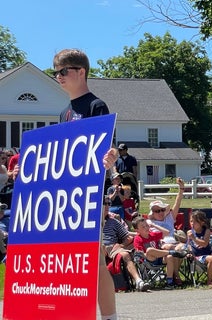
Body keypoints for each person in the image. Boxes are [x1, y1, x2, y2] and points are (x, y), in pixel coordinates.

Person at [54, 48, 120, 320]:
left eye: (63, 71)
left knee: (94, 259)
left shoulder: (96, 106)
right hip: (65, 196)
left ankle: (108, 316)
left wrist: (111, 156)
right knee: (68, 259)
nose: (58, 76)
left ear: (81, 72)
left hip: (89, 196)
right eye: (55, 72)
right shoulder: (63, 114)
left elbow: (109, 146)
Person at [101, 203, 149, 292]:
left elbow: (127, 237)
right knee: (100, 250)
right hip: (95, 247)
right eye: (104, 204)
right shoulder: (90, 222)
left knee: (126, 254)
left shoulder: (113, 222)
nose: (107, 206)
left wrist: (121, 245)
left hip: (111, 247)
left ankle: (139, 281)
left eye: (108, 204)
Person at [132, 216, 188, 289]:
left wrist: (154, 225)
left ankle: (169, 282)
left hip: (160, 258)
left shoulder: (152, 234)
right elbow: (142, 254)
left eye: (147, 225)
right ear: (137, 230)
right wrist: (154, 253)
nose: (146, 227)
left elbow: (167, 232)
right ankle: (172, 252)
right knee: (149, 250)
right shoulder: (137, 239)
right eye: (143, 227)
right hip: (149, 260)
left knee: (169, 257)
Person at [147, 178, 186, 251]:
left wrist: (181, 188)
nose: (161, 212)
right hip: (160, 246)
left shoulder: (169, 217)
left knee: (183, 247)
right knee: (177, 249)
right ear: (153, 213)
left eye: (162, 210)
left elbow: (177, 202)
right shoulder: (149, 222)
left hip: (174, 243)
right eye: (157, 211)